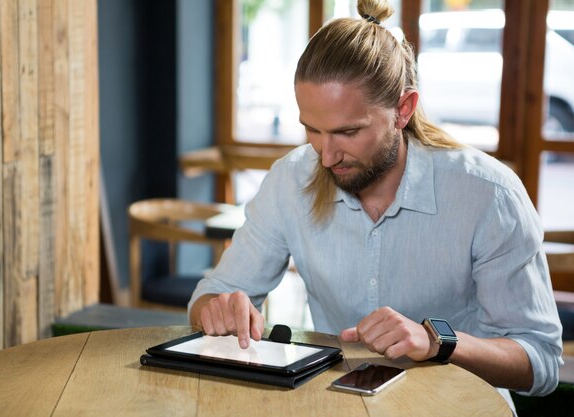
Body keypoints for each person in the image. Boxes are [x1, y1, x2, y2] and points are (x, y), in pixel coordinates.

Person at [188, 0, 563, 405]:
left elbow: (540, 362)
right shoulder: (289, 180)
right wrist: (219, 308)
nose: (326, 156)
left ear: (403, 110)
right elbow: (210, 296)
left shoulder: (489, 194)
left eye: (348, 132)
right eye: (312, 129)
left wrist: (437, 341)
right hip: (340, 407)